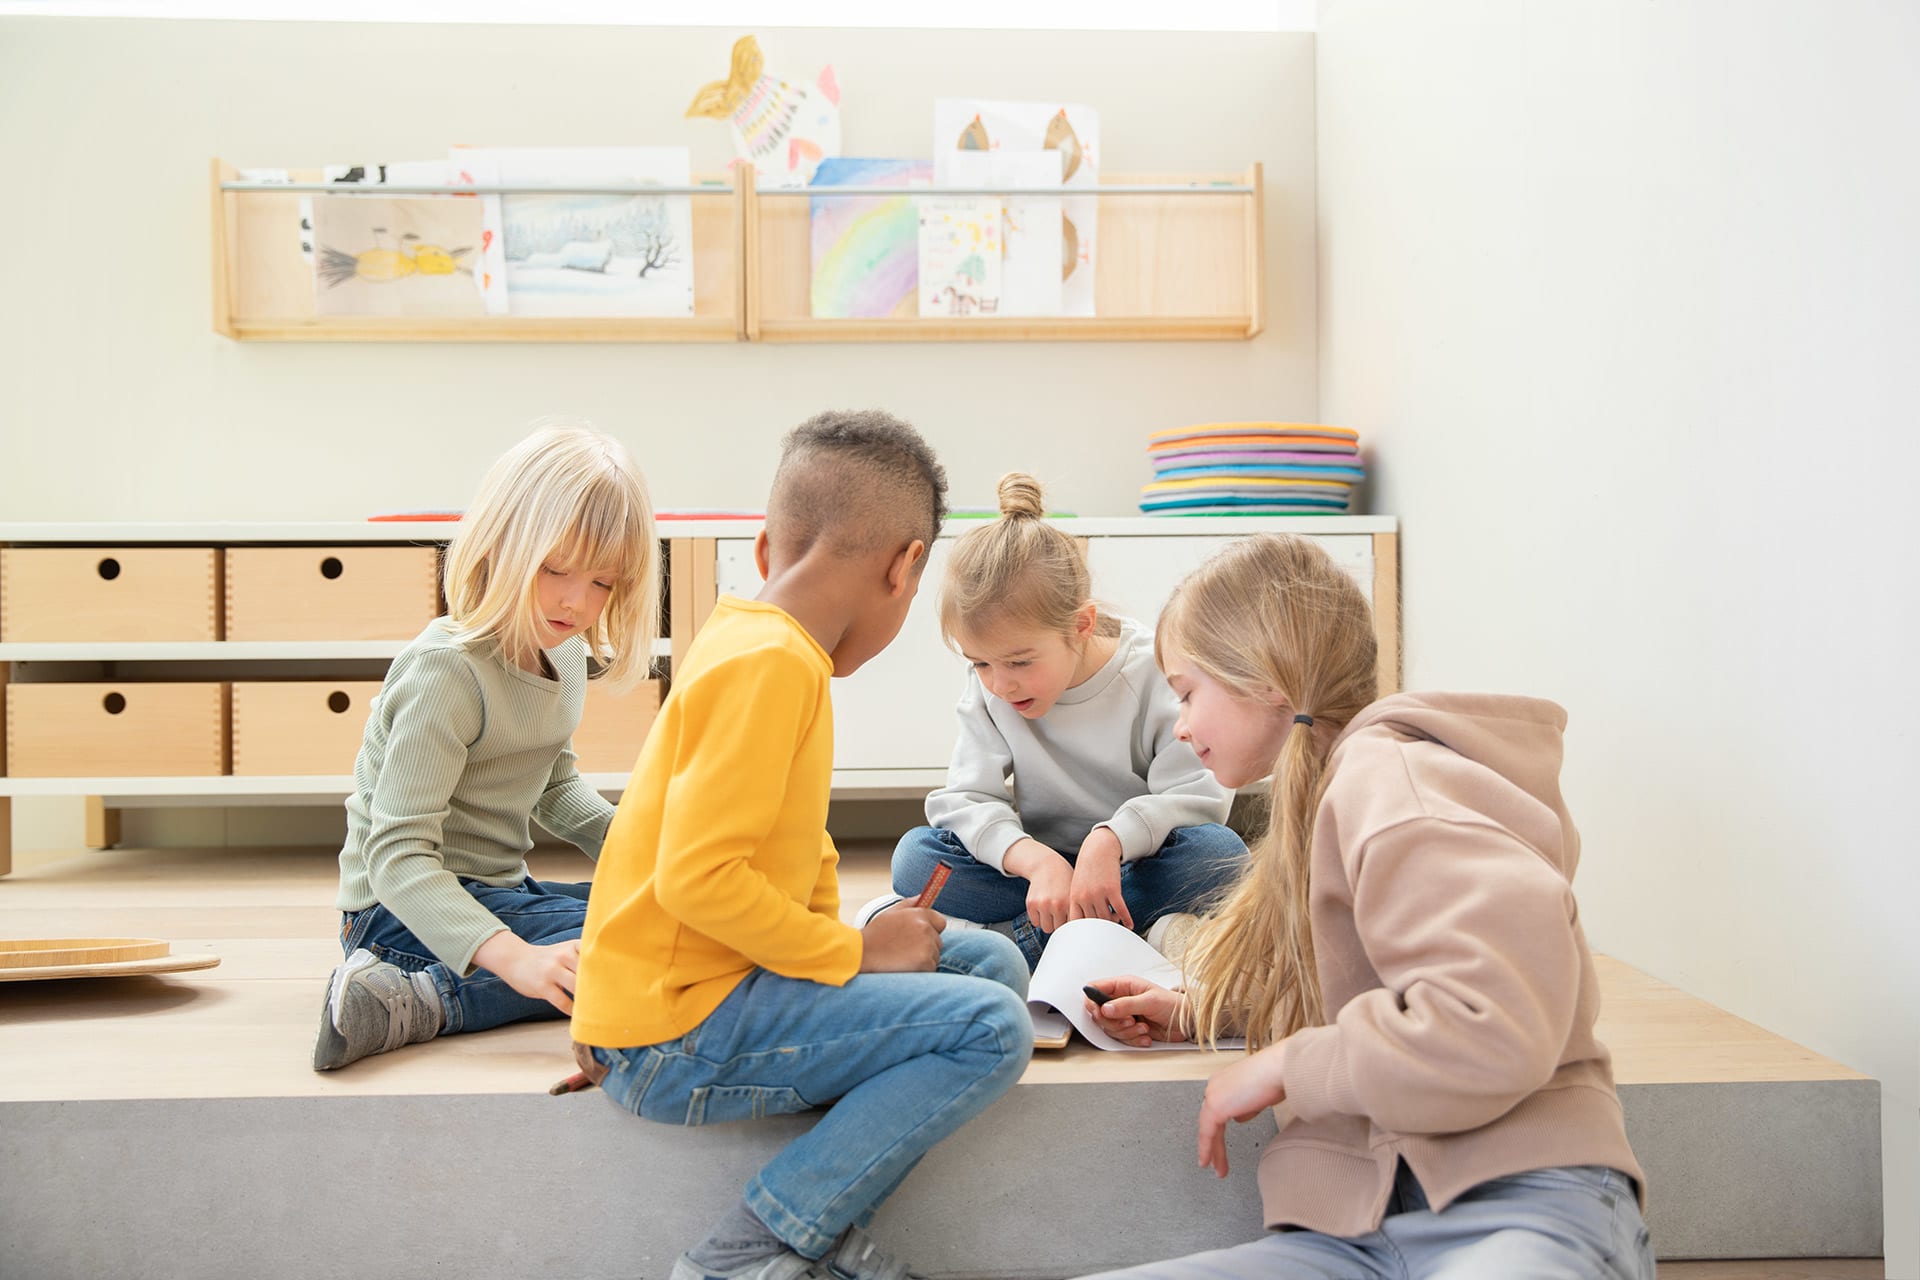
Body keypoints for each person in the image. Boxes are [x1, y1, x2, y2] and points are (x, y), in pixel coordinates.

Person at [1080, 532, 1654, 1280]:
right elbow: (1374, 990)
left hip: (1515, 1204)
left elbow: (1490, 1024)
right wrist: (1201, 1010)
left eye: (1188, 693)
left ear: (1265, 678)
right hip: (1356, 1230)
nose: (1181, 725)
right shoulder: (1335, 793)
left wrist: (1288, 1063)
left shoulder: (1396, 783)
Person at [570, 410, 1033, 1280]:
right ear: (906, 567)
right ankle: (767, 1238)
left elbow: (673, 842)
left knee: (993, 968)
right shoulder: (773, 666)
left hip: (695, 990)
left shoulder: (752, 636)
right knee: (992, 1025)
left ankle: (817, 1206)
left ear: (762, 548)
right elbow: (695, 878)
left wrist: (855, 960)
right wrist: (855, 951)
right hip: (678, 1031)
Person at [312, 421, 657, 1071]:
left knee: (671, 915)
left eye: (603, 583)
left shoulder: (565, 651)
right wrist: (517, 959)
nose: (577, 600)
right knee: (642, 951)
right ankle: (419, 998)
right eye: (556, 568)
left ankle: (453, 977)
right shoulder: (448, 671)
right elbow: (397, 857)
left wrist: (645, 850)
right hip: (396, 913)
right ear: (505, 541)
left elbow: (553, 787)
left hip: (496, 891)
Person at [866, 472, 1246, 968]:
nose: (1001, 685)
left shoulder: (1151, 669)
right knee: (916, 859)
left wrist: (1110, 840)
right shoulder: (991, 685)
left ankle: (1023, 939)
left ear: (1081, 626)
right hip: (1034, 872)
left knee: (1221, 856)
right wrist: (1036, 860)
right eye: (980, 662)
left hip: (1132, 864)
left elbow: (1198, 794)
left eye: (1020, 662)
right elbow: (967, 798)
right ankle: (1129, 931)